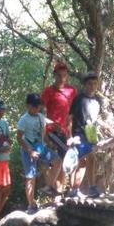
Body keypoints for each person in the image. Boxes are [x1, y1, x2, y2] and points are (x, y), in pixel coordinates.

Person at [18, 93, 61, 213]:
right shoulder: (24, 119)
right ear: (28, 106)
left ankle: (49, 186)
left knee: (57, 161)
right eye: (34, 107)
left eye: (38, 107)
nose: (37, 109)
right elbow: (19, 138)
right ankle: (31, 205)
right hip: (28, 150)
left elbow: (45, 128)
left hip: (41, 148)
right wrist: (29, 151)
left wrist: (50, 140)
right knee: (30, 177)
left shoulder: (40, 117)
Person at [68, 72, 104, 198]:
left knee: (90, 160)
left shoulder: (97, 101)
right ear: (85, 85)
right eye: (89, 84)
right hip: (79, 134)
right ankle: (77, 189)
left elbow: (94, 119)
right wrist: (70, 136)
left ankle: (87, 188)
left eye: (95, 84)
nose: (92, 86)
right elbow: (70, 118)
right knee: (84, 160)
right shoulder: (79, 99)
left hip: (91, 134)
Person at [42, 62, 77, 190]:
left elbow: (73, 112)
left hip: (65, 133)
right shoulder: (48, 91)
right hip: (51, 132)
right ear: (54, 75)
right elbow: (39, 114)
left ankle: (58, 193)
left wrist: (71, 132)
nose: (62, 78)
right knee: (54, 162)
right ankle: (50, 188)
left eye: (64, 75)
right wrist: (48, 126)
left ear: (67, 75)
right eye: (59, 75)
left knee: (64, 162)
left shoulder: (72, 91)